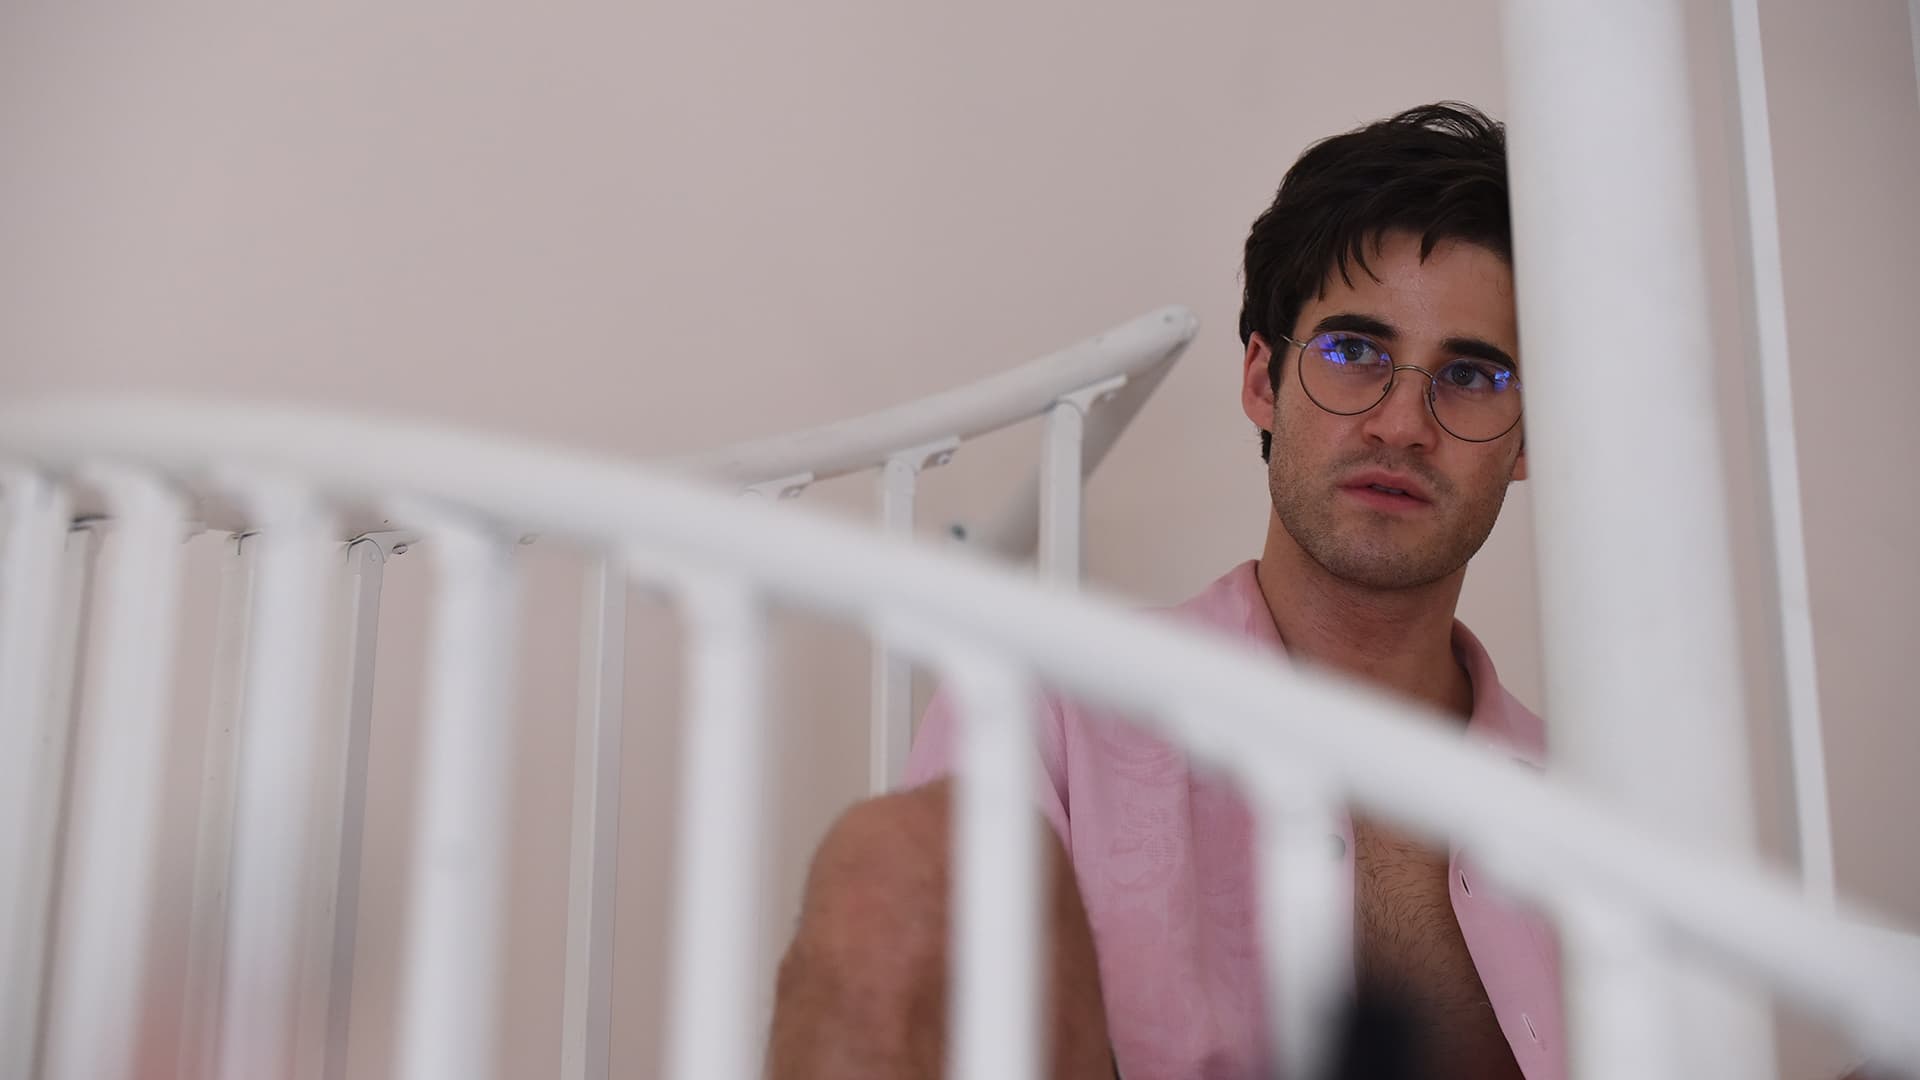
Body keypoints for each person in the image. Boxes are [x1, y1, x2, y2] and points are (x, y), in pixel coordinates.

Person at [767, 102, 1561, 1079]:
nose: (1402, 424)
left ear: (1530, 438)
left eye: (1471, 376)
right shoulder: (1054, 707)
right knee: (892, 865)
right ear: (1263, 382)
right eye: (1353, 353)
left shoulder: (1598, 817)